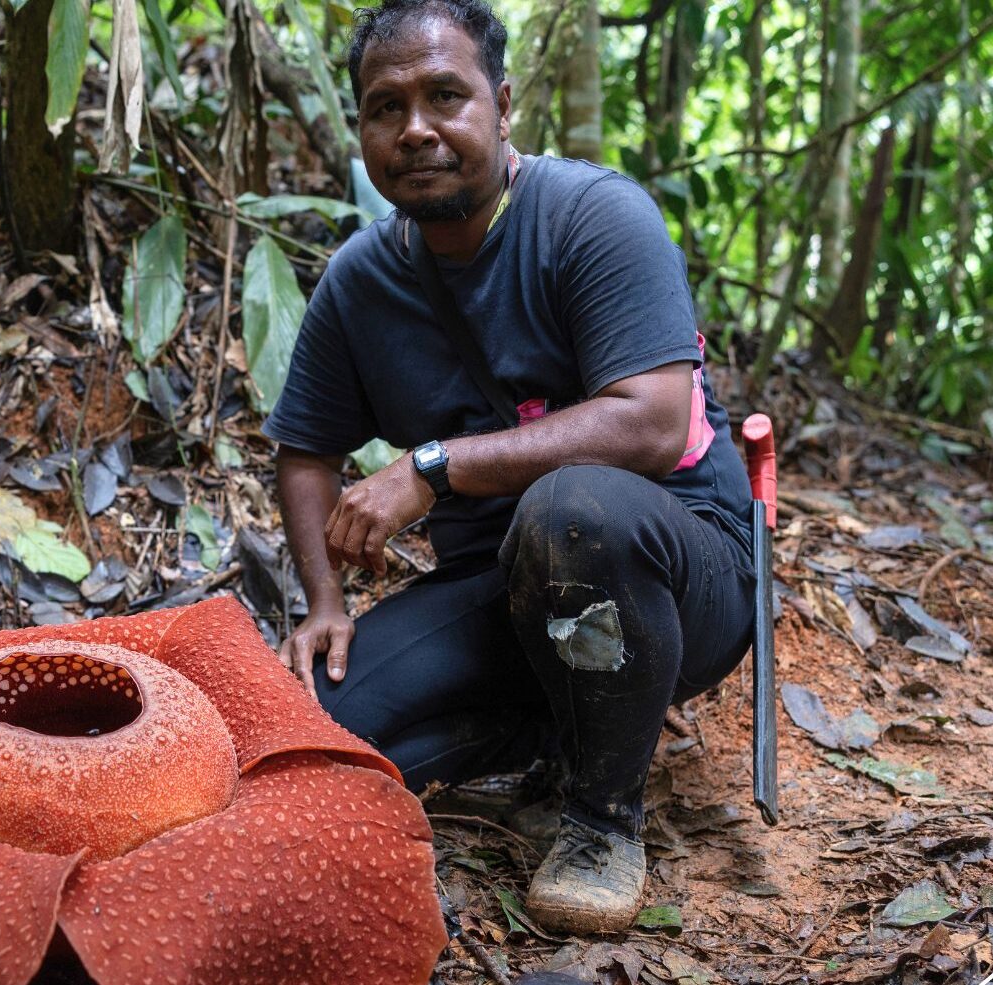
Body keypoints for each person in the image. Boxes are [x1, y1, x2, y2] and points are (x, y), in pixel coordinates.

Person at [262, 0, 757, 935]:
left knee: (570, 510)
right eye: (384, 106)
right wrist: (324, 602)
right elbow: (306, 447)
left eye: (445, 94)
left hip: (678, 575)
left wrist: (434, 466)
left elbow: (653, 424)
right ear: (361, 128)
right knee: (313, 730)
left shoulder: (593, 218)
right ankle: (539, 729)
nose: (416, 128)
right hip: (504, 589)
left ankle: (602, 819)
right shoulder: (362, 280)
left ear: (502, 101)